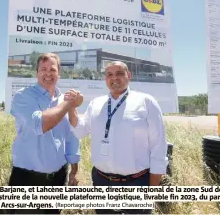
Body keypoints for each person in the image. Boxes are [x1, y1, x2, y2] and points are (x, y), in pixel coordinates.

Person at [65, 61, 168, 214]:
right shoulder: (96, 104)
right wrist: (71, 106)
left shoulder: (146, 102)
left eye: (120, 73)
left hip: (136, 184)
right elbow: (80, 131)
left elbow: (158, 148)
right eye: (109, 75)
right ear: (105, 79)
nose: (115, 78)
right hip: (101, 182)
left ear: (129, 76)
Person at [8, 53, 83, 214]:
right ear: (36, 73)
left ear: (59, 73)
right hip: (27, 179)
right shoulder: (23, 96)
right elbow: (40, 124)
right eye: (43, 69)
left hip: (57, 178)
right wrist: (69, 104)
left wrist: (74, 170)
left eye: (52, 69)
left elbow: (71, 136)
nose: (48, 73)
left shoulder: (65, 99)